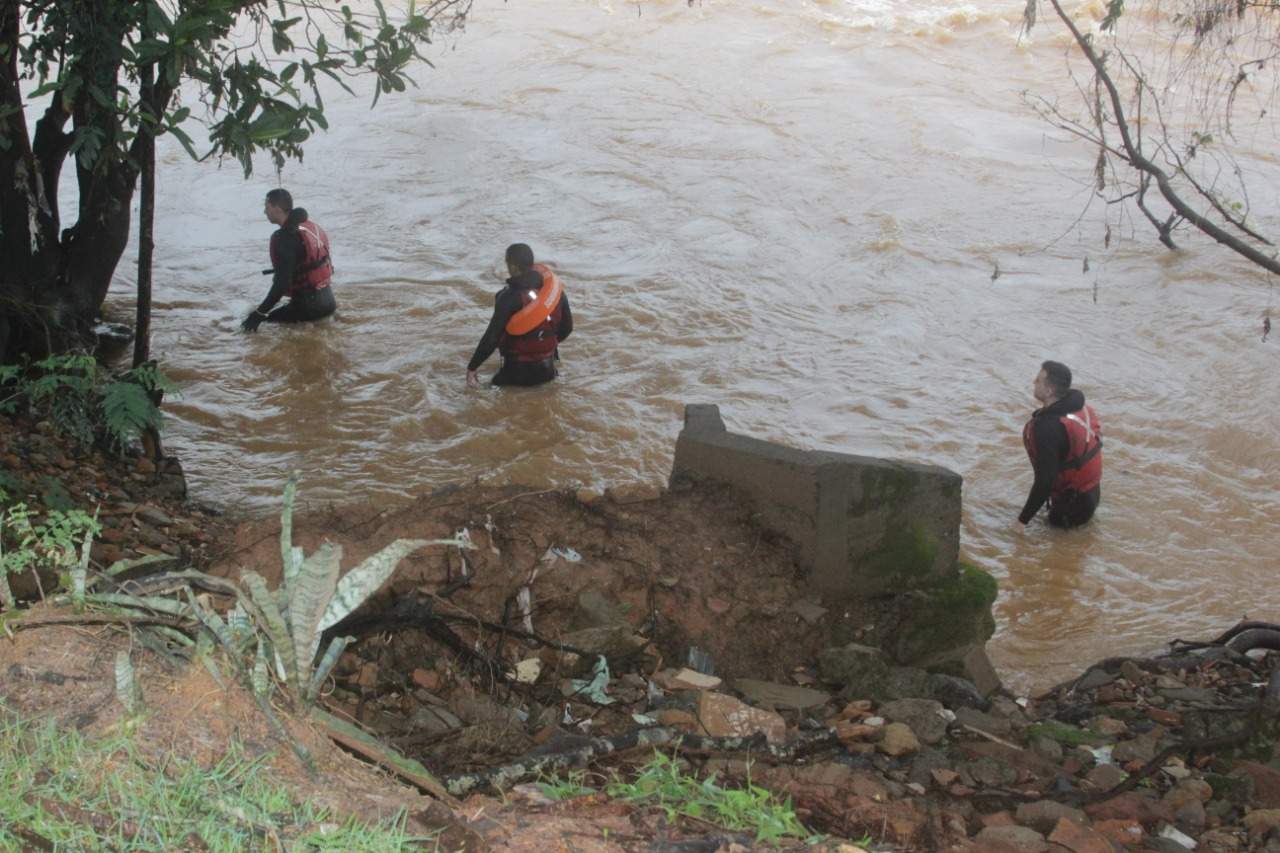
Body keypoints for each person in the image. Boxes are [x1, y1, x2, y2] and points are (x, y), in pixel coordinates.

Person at [466, 243, 573, 387]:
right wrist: (542, 345)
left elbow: (492, 337)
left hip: (514, 375)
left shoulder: (509, 297)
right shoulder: (556, 294)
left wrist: (472, 368)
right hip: (548, 372)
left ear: (514, 267)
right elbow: (567, 328)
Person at [1016, 360, 1103, 529]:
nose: (1034, 382)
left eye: (1038, 380)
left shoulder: (1047, 428)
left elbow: (1045, 482)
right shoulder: (1080, 408)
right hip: (1091, 494)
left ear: (1049, 390)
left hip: (1071, 507)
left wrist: (1021, 521)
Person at [241, 189, 336, 332]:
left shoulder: (285, 238)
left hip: (308, 308)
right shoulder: (307, 227)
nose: (264, 212)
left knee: (251, 325)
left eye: (267, 207)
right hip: (329, 303)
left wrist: (259, 314)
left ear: (277, 209)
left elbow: (281, 285)